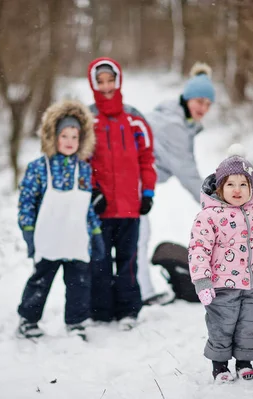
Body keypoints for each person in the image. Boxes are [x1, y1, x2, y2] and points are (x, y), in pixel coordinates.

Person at [187, 145, 253, 382]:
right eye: (230, 184)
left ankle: (244, 363)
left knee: (252, 324)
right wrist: (202, 282)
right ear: (220, 187)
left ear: (251, 188)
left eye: (243, 184)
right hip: (222, 287)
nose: (237, 190)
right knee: (222, 325)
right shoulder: (208, 217)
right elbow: (199, 250)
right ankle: (220, 365)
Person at [16, 99, 104, 340]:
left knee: (79, 284)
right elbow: (26, 202)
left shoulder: (83, 169)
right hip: (48, 239)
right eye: (64, 135)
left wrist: (95, 233)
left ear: (82, 140)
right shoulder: (39, 167)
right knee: (40, 282)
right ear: (52, 136)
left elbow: (85, 206)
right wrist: (27, 229)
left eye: (74, 137)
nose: (69, 142)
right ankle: (28, 320)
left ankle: (76, 322)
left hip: (76, 239)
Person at [86, 57, 157, 330]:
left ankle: (128, 310)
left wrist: (148, 192)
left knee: (127, 260)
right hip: (100, 207)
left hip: (130, 205)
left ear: (118, 80)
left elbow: (146, 159)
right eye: (100, 81)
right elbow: (83, 161)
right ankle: (101, 312)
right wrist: (93, 191)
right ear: (93, 84)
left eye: (110, 80)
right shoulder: (88, 119)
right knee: (100, 260)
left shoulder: (134, 118)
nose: (106, 86)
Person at [137, 62, 216, 305]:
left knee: (136, 235)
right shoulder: (174, 126)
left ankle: (138, 291)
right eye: (199, 101)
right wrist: (216, 206)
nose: (203, 108)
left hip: (135, 183)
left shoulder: (178, 119)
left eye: (208, 103)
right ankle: (140, 294)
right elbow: (188, 173)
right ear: (187, 98)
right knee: (138, 235)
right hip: (129, 182)